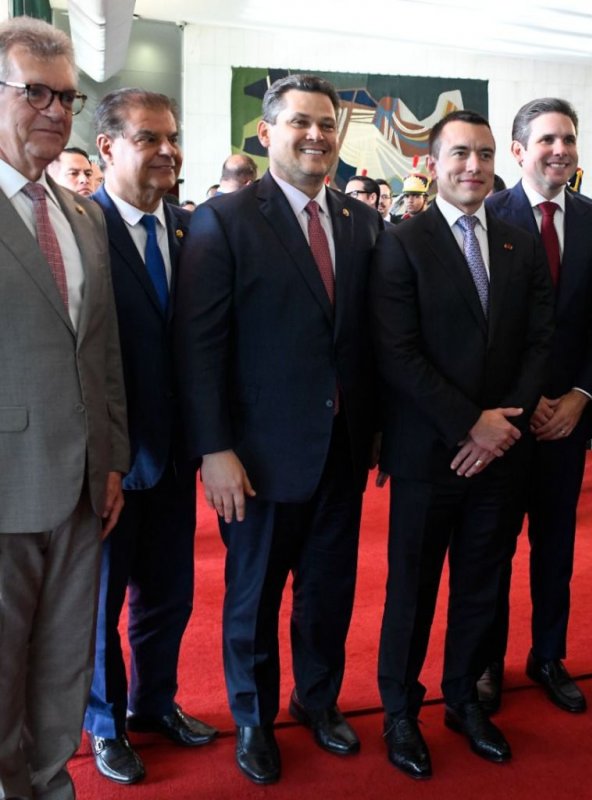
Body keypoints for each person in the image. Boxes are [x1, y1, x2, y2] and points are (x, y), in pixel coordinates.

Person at [174, 74, 382, 786]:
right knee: (254, 598)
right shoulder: (225, 220)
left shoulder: (360, 222)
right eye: (300, 122)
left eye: (326, 123)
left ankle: (317, 700)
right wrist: (214, 448)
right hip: (256, 459)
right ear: (266, 134)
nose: (316, 135)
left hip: (341, 452)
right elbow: (199, 346)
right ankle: (254, 718)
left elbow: (363, 341)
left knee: (327, 593)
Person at [372, 109, 553, 779]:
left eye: (484, 154)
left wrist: (501, 427)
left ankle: (463, 700)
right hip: (430, 454)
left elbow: (540, 340)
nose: (473, 166)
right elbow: (397, 351)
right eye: (459, 154)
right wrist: (468, 423)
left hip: (501, 454)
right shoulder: (402, 242)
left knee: (483, 585)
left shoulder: (519, 244)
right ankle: (399, 711)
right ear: (432, 163)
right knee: (412, 591)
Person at [0, 16, 129, 800]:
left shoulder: (83, 215)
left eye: (68, 98)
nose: (55, 111)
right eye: (36, 93)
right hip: (6, 484)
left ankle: (51, 784)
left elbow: (102, 353)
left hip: (83, 488)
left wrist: (111, 460)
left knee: (61, 665)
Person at [82, 88, 217, 785]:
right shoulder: (81, 227)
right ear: (107, 147)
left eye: (173, 138)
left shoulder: (192, 231)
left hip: (175, 458)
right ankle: (105, 724)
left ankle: (154, 703)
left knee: (169, 596)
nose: (168, 151)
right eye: (149, 138)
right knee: (101, 604)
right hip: (108, 460)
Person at [482, 97, 592, 715]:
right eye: (547, 140)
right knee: (492, 549)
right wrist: (521, 401)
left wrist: (581, 397)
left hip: (567, 421)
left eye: (569, 139)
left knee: (556, 549)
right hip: (504, 422)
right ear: (518, 151)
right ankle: (486, 662)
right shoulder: (487, 214)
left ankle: (549, 656)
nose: (560, 151)